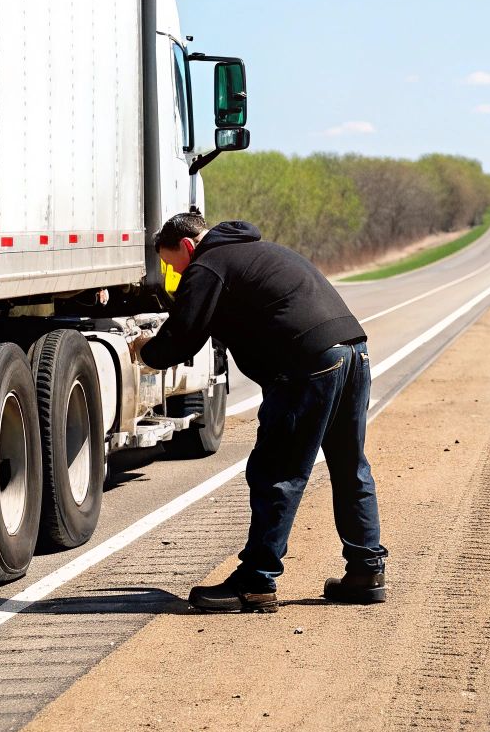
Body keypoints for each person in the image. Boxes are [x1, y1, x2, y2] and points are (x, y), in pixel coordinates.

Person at [131, 212, 387, 613]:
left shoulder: (207, 265)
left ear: (186, 246)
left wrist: (146, 350)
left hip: (309, 363)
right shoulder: (257, 252)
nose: (171, 271)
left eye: (169, 262)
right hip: (353, 350)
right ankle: (366, 572)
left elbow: (181, 339)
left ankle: (255, 584)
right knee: (350, 465)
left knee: (277, 473)